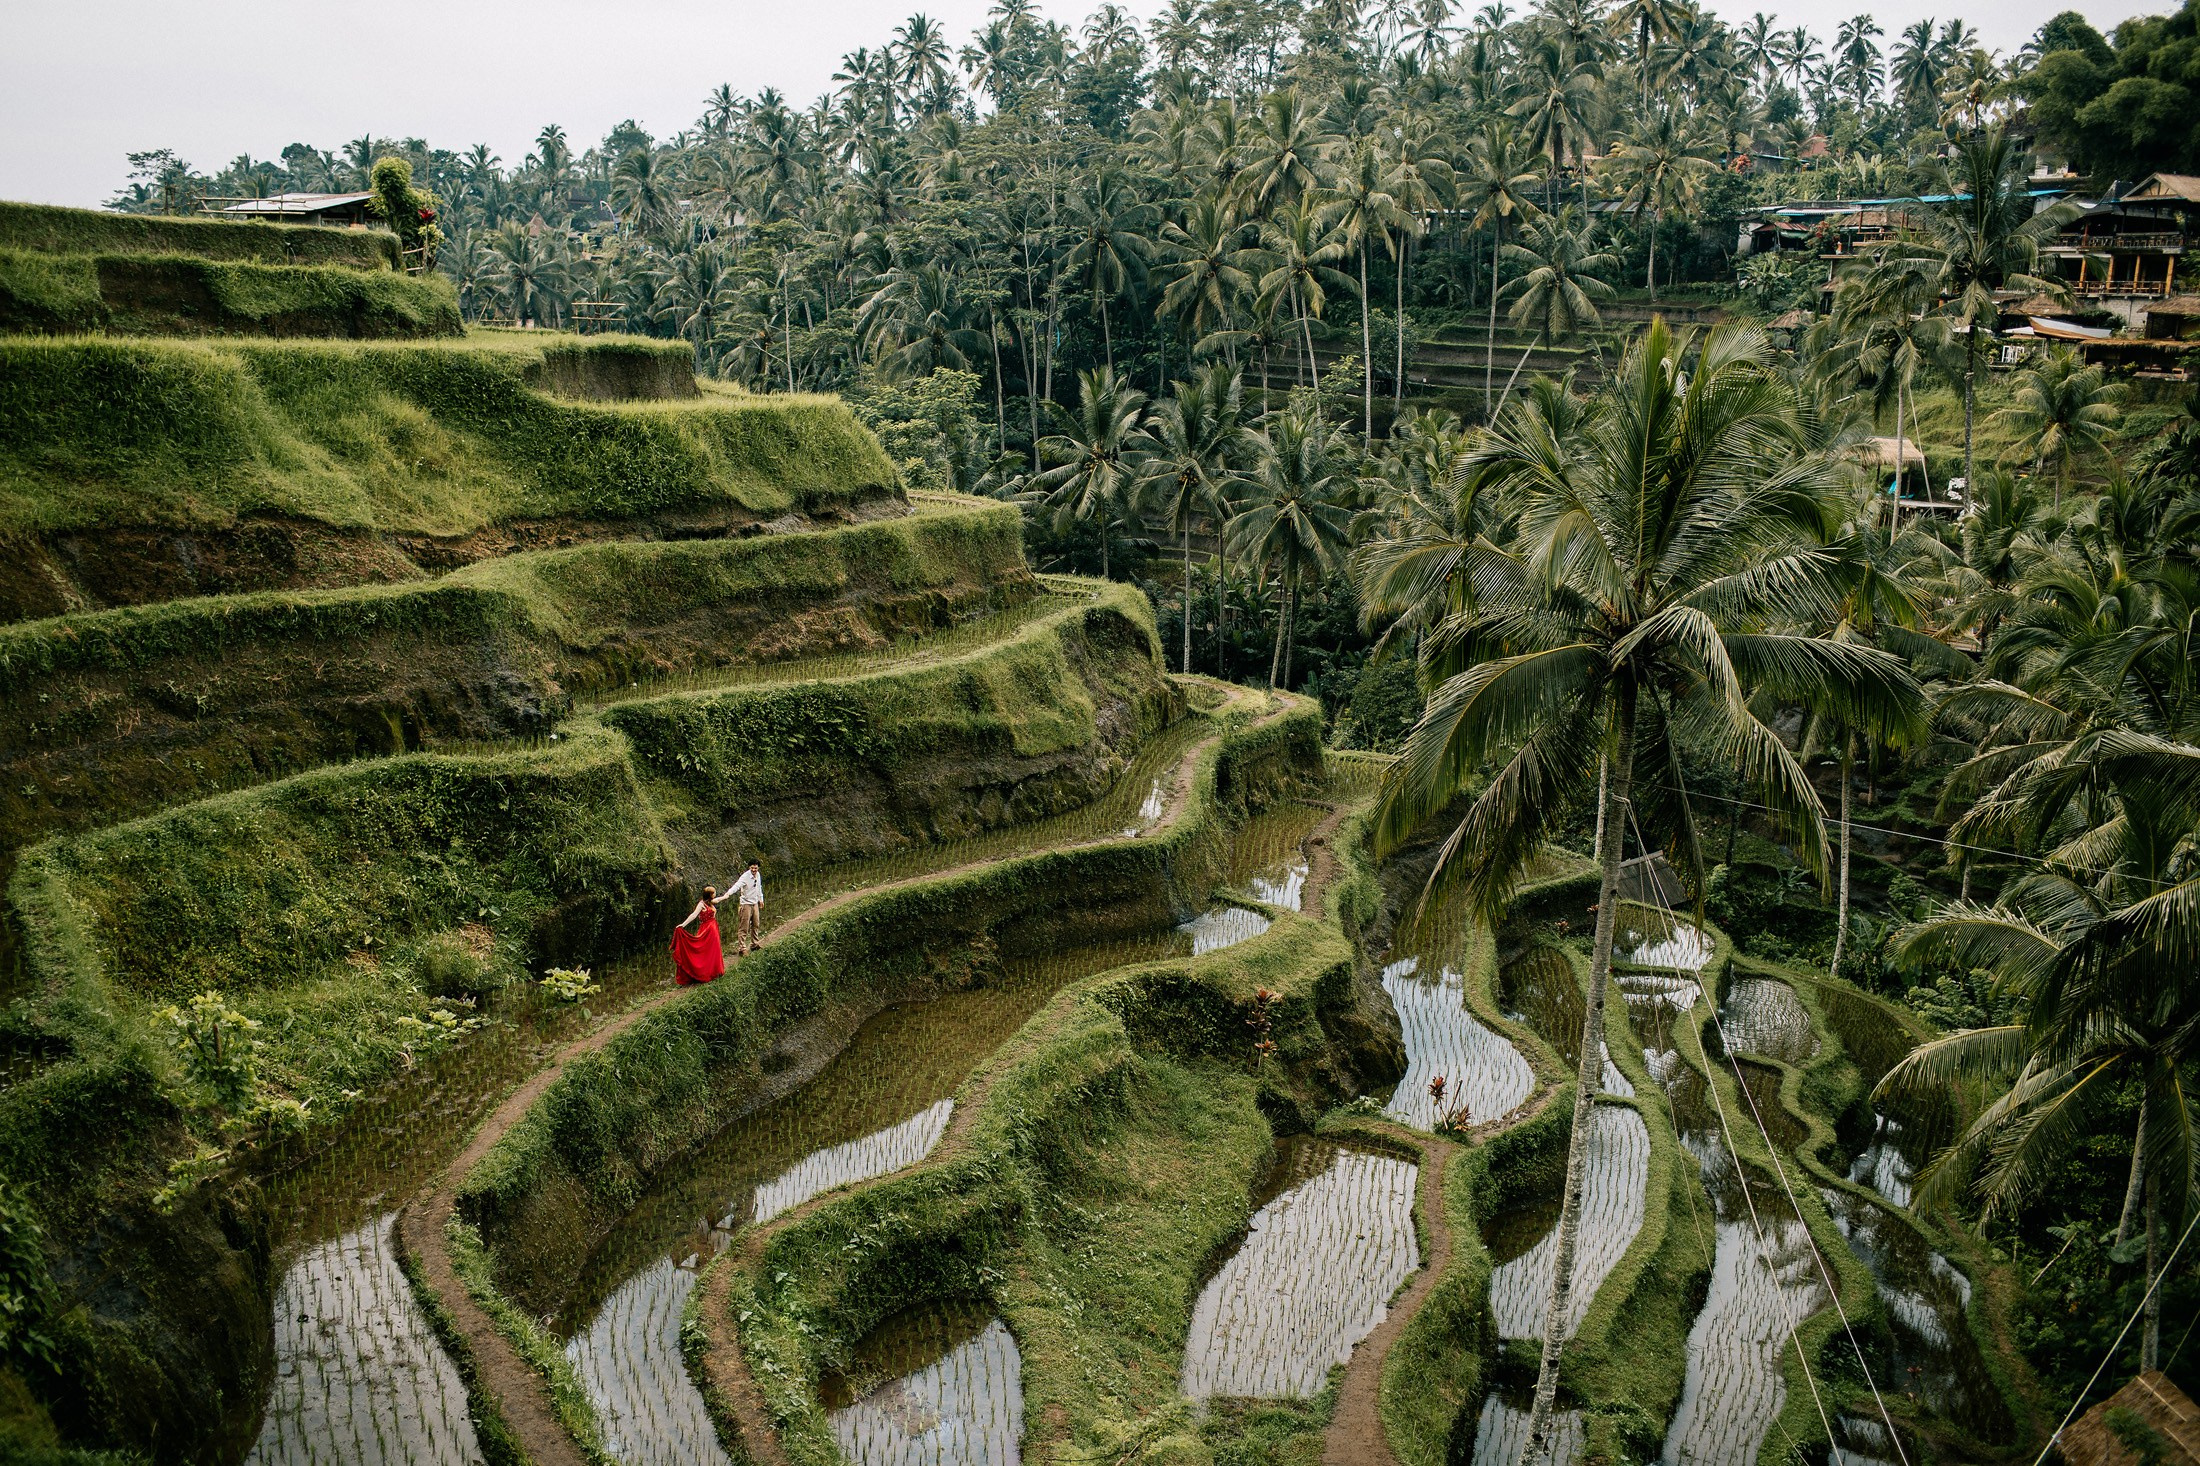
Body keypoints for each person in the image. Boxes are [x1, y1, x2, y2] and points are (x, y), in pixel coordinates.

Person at [670, 886, 727, 986]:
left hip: (713, 930)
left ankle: (714, 971)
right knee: (703, 951)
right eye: (714, 893)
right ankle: (703, 972)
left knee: (713, 951)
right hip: (706, 930)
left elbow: (718, 899)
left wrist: (726, 895)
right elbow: (694, 915)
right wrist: (683, 924)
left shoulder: (711, 902)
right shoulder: (701, 904)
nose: (715, 894)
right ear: (710, 895)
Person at [726, 859, 764, 956]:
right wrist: (728, 894)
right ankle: (742, 948)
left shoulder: (758, 875)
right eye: (752, 868)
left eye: (755, 868)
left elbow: (758, 887)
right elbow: (737, 886)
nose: (754, 870)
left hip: (754, 903)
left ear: (758, 868)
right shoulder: (745, 877)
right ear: (749, 867)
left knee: (756, 924)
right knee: (744, 927)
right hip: (746, 904)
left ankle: (754, 944)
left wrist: (761, 899)